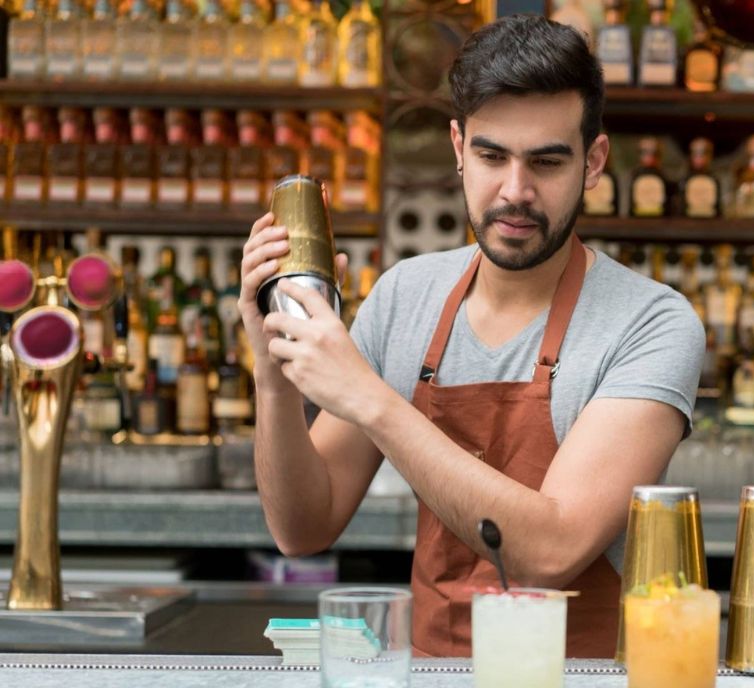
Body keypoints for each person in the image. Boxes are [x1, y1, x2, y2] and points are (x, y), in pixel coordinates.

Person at [238, 14, 704, 658]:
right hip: (431, 674)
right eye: (491, 156)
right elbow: (302, 527)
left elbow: (551, 550)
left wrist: (371, 399)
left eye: (546, 161)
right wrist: (271, 372)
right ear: (458, 147)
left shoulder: (650, 322)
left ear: (593, 162)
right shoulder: (406, 297)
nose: (515, 192)